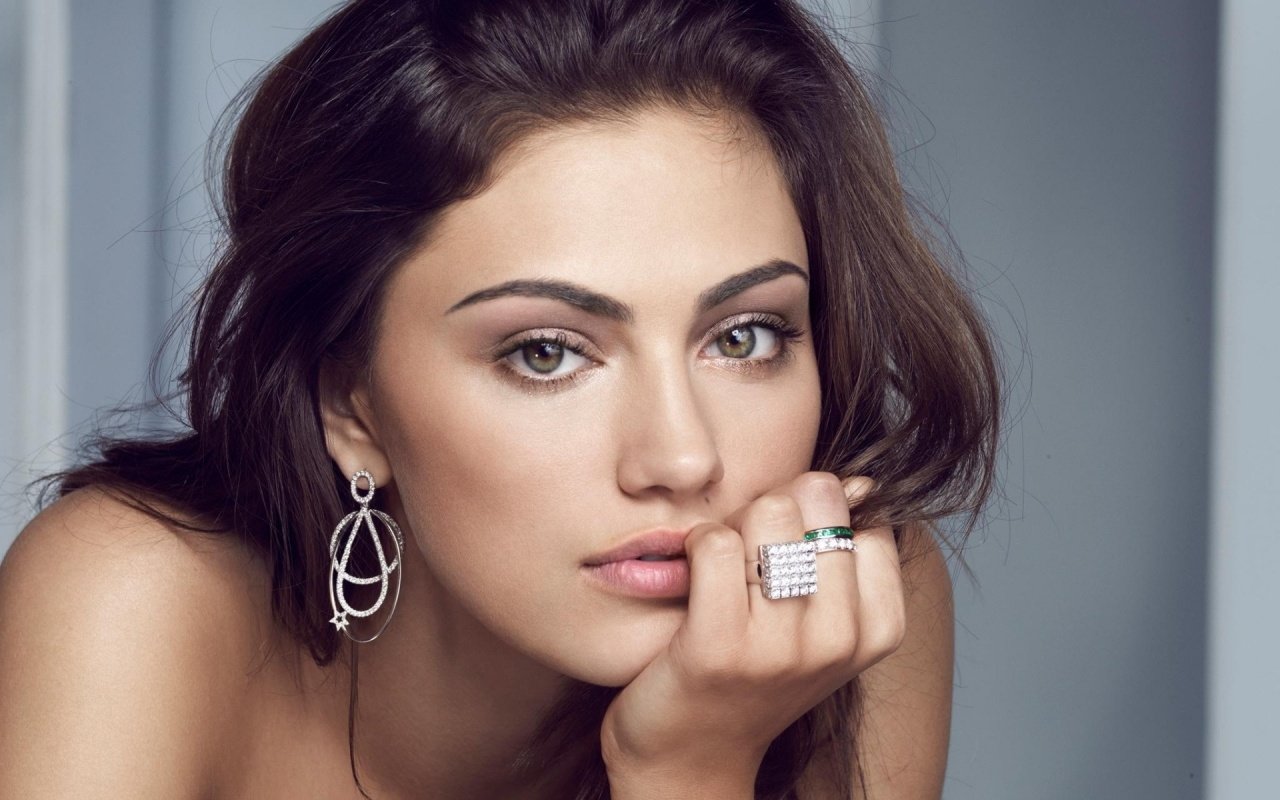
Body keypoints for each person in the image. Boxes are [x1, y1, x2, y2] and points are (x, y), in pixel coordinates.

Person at [0, 0, 1000, 797]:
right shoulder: (138, 599)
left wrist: (687, 770)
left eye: (740, 337)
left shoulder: (843, 600)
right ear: (351, 402)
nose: (681, 456)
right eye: (545, 353)